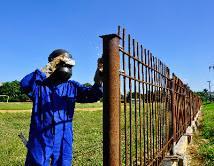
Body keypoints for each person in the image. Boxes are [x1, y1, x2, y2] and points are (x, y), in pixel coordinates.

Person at [20, 49, 103, 166]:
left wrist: (99, 78)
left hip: (64, 135)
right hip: (40, 136)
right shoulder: (39, 86)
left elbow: (93, 95)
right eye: (63, 64)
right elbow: (24, 84)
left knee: (63, 163)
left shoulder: (72, 86)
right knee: (36, 163)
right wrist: (49, 66)